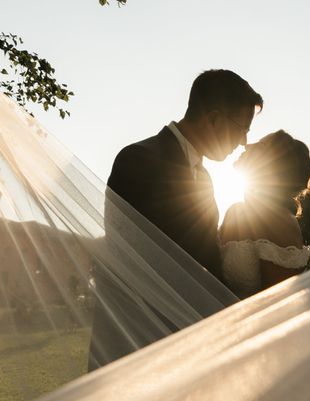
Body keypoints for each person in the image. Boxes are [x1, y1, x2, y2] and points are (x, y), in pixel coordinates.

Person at [107, 69, 263, 281]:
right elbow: (136, 259)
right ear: (214, 120)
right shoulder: (139, 159)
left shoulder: (205, 178)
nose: (244, 141)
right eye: (242, 129)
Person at [219, 130, 310, 298]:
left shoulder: (280, 223)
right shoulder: (235, 211)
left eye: (260, 145)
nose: (248, 145)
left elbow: (277, 304)